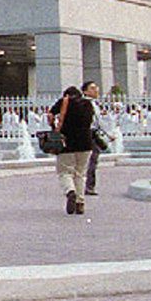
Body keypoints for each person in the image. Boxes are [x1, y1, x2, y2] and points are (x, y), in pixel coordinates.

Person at [51, 86, 95, 216]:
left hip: (67, 143)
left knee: (65, 172)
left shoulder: (63, 102)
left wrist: (54, 126)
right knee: (80, 173)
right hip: (86, 143)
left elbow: (50, 115)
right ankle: (80, 203)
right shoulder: (88, 104)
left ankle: (70, 191)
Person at [81, 80, 105, 196]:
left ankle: (85, 185)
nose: (96, 90)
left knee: (91, 160)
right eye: (92, 88)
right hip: (88, 134)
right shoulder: (86, 104)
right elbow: (95, 122)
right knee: (91, 160)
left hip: (92, 133)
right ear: (85, 91)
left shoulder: (94, 103)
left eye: (96, 87)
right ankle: (88, 186)